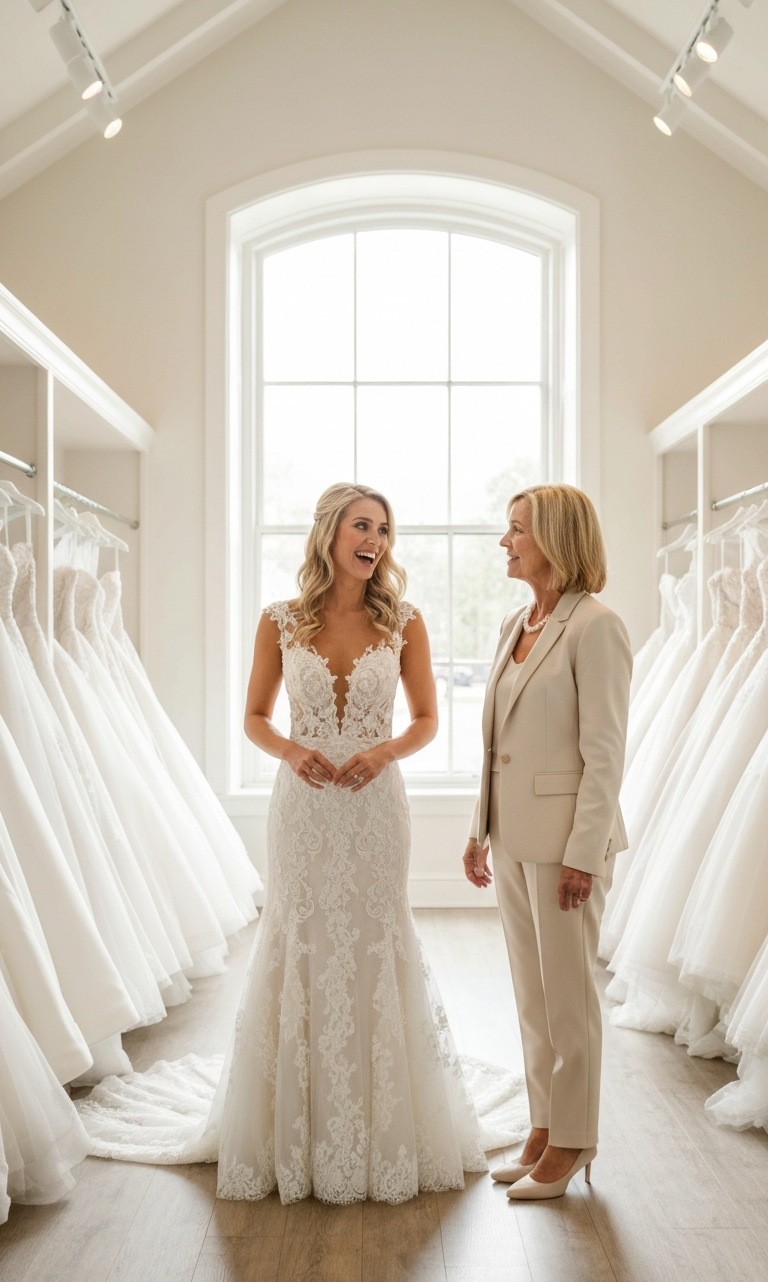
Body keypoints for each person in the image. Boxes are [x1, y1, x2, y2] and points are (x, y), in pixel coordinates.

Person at [78, 483, 527, 1203]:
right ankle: (293, 1120)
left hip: (377, 805)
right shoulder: (279, 622)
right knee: (301, 935)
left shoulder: (404, 621)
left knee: (377, 933)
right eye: (361, 524)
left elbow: (426, 721)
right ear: (329, 533)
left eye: (383, 528)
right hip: (305, 806)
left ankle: (384, 1117)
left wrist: (381, 755)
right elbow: (255, 716)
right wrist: (292, 753)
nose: (374, 539)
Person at [463, 484, 631, 1201]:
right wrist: (479, 829)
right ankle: (542, 1124)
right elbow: (497, 740)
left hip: (567, 845)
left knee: (570, 1001)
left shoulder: (596, 627)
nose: (505, 542)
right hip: (511, 837)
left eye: (517, 530)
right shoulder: (516, 622)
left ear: (555, 540)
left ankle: (574, 1140)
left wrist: (583, 853)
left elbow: (606, 754)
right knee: (531, 999)